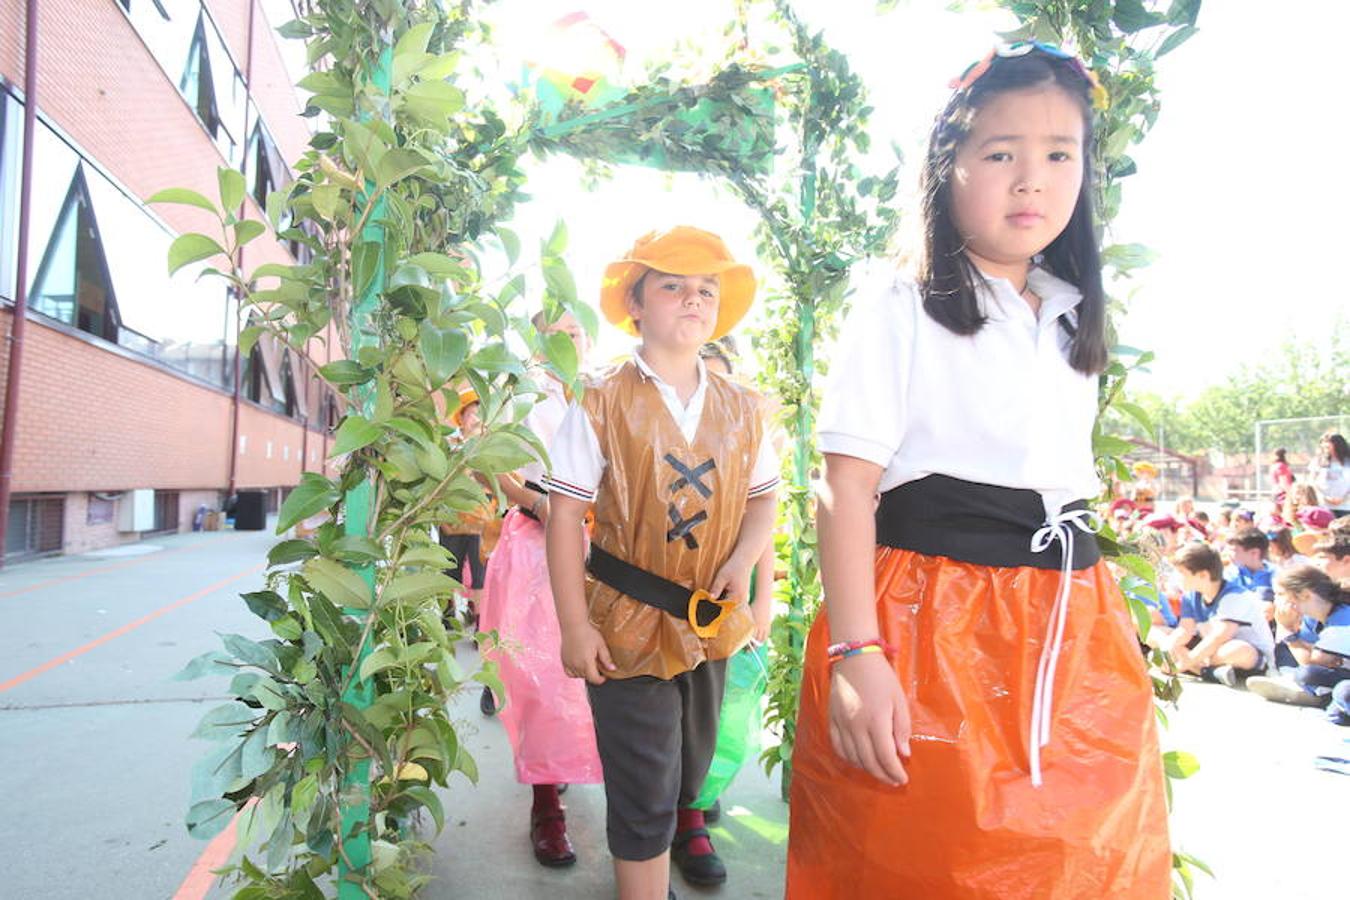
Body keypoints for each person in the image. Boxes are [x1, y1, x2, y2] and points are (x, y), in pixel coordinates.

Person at [784, 44, 1169, 898]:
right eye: (1002, 154)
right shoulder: (899, 303)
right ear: (945, 167)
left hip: (1071, 626)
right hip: (931, 620)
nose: (1032, 180)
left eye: (1059, 155)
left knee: (1085, 861)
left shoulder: (1070, 318)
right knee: (928, 861)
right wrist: (857, 653)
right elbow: (845, 487)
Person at [545, 226, 779, 900]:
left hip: (710, 624)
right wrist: (573, 626)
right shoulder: (600, 398)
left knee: (688, 769)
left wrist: (743, 564)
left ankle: (657, 864)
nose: (692, 299)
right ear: (636, 304)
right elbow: (565, 516)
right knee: (644, 786)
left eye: (706, 288)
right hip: (624, 621)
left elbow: (763, 502)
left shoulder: (745, 407)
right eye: (672, 285)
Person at [477, 310, 602, 868]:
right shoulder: (521, 391)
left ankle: (640, 806)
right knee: (542, 675)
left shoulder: (606, 390)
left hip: (607, 551)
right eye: (555, 332)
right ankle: (546, 805)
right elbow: (493, 466)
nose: (567, 340)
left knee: (604, 679)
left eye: (575, 331)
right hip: (535, 544)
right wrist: (541, 504)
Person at [1247, 566, 1350, 721]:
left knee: (1343, 693)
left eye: (1281, 594)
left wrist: (1286, 629)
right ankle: (1327, 697)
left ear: (1305, 595)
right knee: (1307, 674)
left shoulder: (1343, 616)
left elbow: (1314, 660)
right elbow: (1310, 663)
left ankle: (1325, 698)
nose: (1276, 601)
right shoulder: (1313, 617)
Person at [1164, 542, 1274, 687]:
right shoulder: (1190, 595)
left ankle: (1200, 669)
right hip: (1211, 652)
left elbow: (1219, 637)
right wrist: (1167, 649)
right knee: (1164, 638)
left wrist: (1185, 663)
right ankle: (1211, 672)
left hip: (1246, 656)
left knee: (1239, 649)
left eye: (1182, 573)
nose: (1177, 578)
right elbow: (1185, 630)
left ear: (1203, 575)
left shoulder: (1234, 595)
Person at [1311, 432, 1350, 516]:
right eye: (1324, 447)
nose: (1326, 449)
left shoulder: (1348, 461)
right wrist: (1324, 497)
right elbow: (1312, 481)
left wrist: (1343, 498)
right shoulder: (1318, 461)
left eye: (1328, 446)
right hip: (1324, 506)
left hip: (1346, 506)